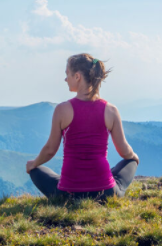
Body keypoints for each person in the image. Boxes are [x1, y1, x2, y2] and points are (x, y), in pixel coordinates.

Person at [26, 53, 139, 202]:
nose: (65, 79)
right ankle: (104, 181)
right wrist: (134, 158)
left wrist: (33, 163)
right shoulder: (111, 110)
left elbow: (50, 150)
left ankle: (69, 183)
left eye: (68, 74)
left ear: (77, 76)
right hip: (106, 194)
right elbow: (124, 150)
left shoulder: (62, 110)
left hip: (68, 195)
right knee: (129, 162)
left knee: (35, 169)